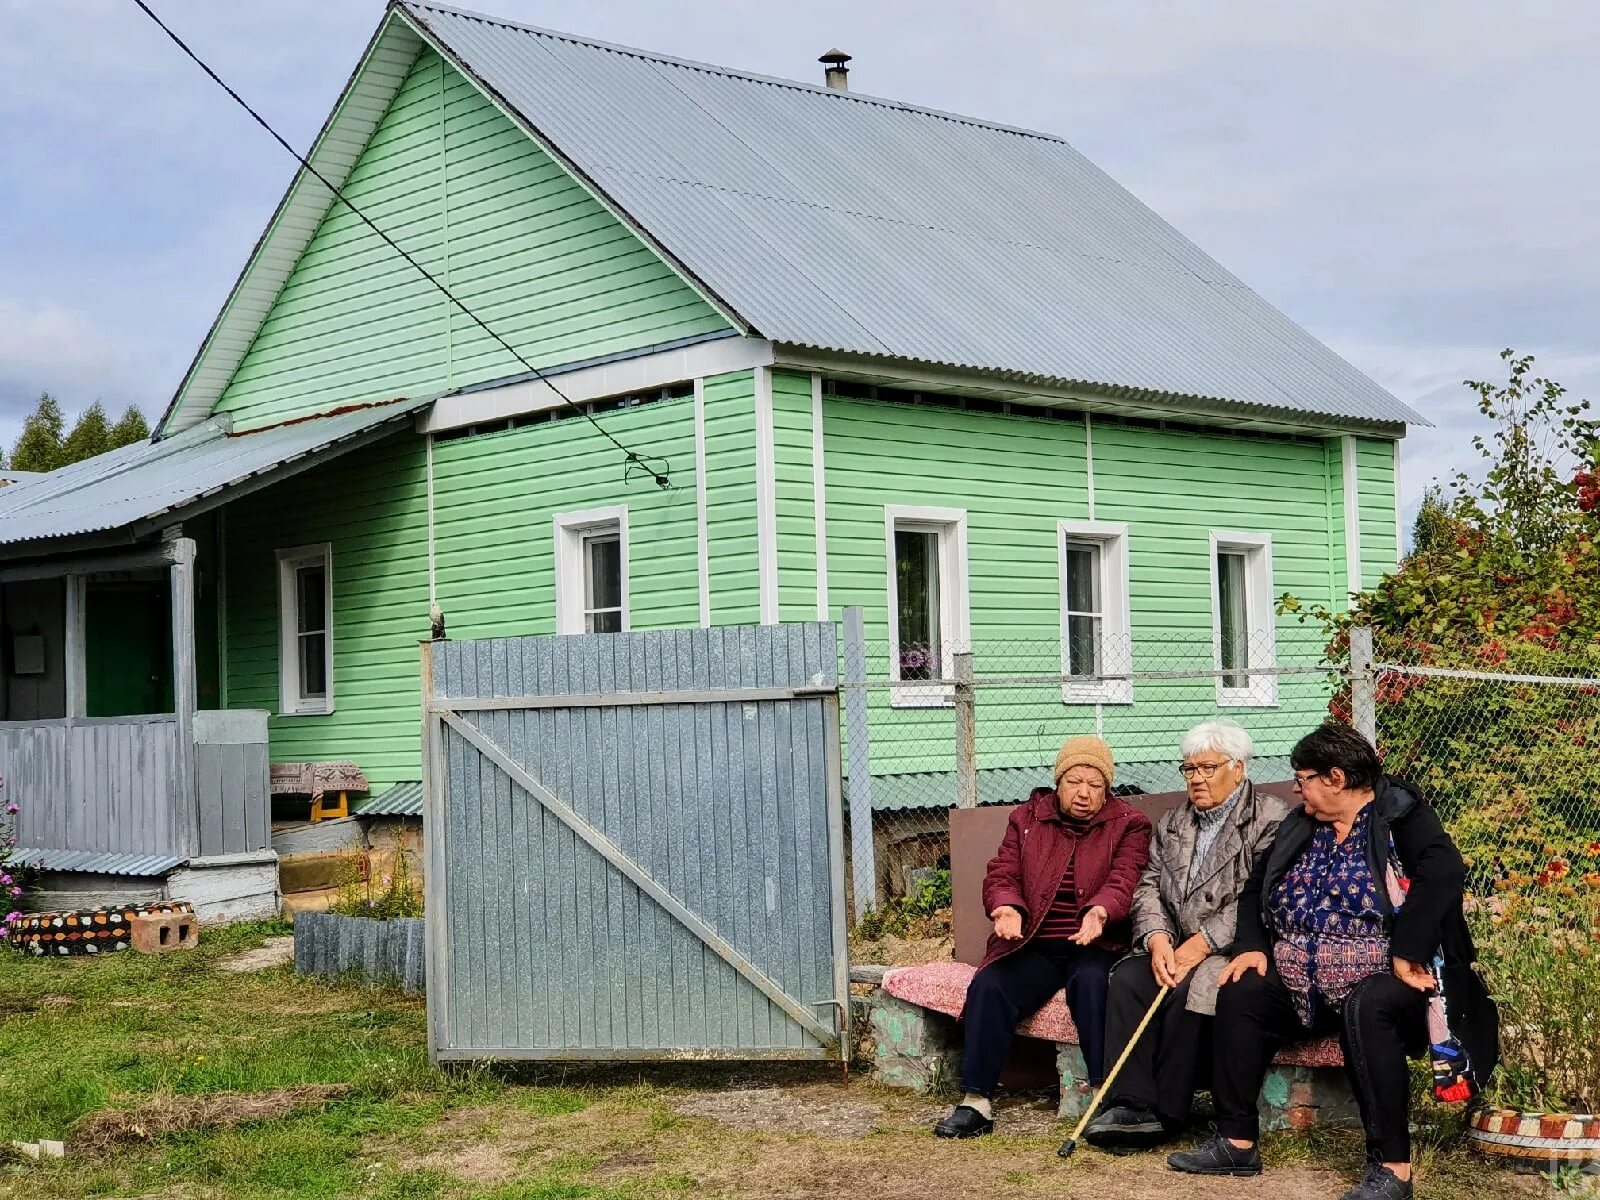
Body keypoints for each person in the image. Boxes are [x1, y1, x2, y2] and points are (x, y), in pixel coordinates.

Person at [1166, 724, 1497, 1200]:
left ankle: (1392, 1169)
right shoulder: (1302, 824)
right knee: (1242, 988)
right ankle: (1236, 1142)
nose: (1297, 788)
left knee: (1370, 1006)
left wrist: (1408, 951)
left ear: (1336, 778)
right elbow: (1256, 888)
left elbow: (1444, 871)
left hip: (1386, 975)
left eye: (1303, 778)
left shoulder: (1400, 816)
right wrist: (1253, 946)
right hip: (1301, 979)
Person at [1080, 719, 1285, 1151]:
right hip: (1174, 941)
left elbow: (1260, 897)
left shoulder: (1269, 819)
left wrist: (1203, 943)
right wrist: (1156, 938)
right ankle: (1129, 1102)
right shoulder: (1174, 821)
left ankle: (1169, 1111)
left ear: (1238, 767)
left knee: (1191, 988)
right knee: (1131, 979)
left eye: (1208, 768)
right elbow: (1149, 884)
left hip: (1229, 945)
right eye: (1189, 770)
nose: (1197, 779)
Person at [934, 735, 1152, 1138]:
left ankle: (1109, 1097)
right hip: (1031, 941)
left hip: (1095, 942)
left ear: (1107, 789)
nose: (1084, 793)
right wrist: (1006, 907)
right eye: (1075, 782)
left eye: (1095, 784)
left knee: (1093, 983)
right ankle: (976, 1101)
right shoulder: (1028, 819)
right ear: (1058, 782)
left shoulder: (1129, 824)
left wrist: (1100, 910)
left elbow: (1126, 877)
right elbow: (1003, 872)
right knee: (991, 984)